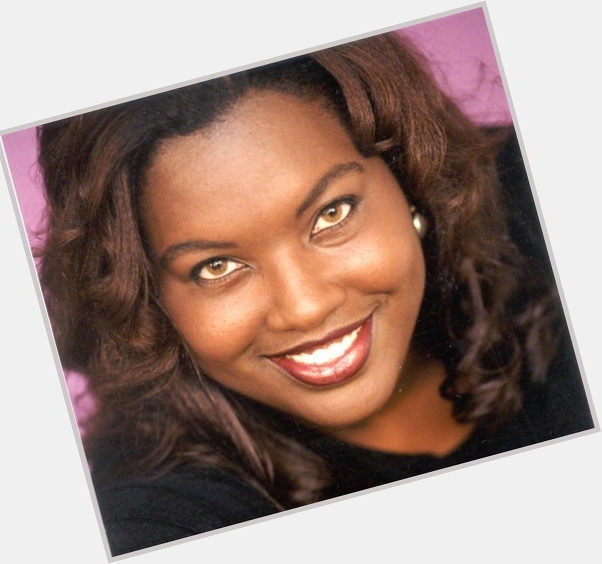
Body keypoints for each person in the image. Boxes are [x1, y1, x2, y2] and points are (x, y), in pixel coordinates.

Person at [36, 31, 592, 556]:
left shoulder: (552, 198)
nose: (305, 307)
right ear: (149, 301)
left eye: (332, 214)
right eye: (216, 267)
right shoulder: (162, 516)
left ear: (409, 176)